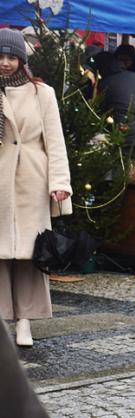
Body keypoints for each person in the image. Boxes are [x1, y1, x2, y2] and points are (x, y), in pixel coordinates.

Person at [0, 28, 72, 348]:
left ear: (22, 59)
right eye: (0, 57)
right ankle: (3, 321)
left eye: (11, 57)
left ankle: (25, 322)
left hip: (32, 178)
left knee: (31, 255)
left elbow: (55, 141)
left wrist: (60, 183)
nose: (5, 63)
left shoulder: (42, 93)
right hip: (0, 180)